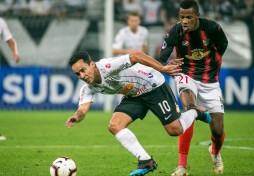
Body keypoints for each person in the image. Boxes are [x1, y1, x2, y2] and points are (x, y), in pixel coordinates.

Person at [65, 51, 212, 176]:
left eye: (83, 70)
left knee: (175, 130)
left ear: (91, 64)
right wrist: (76, 117)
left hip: (153, 86)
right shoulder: (87, 88)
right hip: (134, 95)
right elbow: (82, 110)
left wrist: (161, 68)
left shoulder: (107, 66)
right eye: (78, 74)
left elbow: (135, 56)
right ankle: (146, 161)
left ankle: (194, 112)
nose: (82, 75)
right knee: (114, 125)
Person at [157, 0, 228, 175]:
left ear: (197, 16)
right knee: (189, 108)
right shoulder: (175, 31)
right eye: (182, 17)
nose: (185, 21)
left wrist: (210, 63)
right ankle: (182, 166)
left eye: (189, 17)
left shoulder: (212, 28)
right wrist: (167, 64)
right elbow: (161, 58)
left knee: (218, 131)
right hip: (186, 73)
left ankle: (215, 152)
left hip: (210, 81)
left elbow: (223, 45)